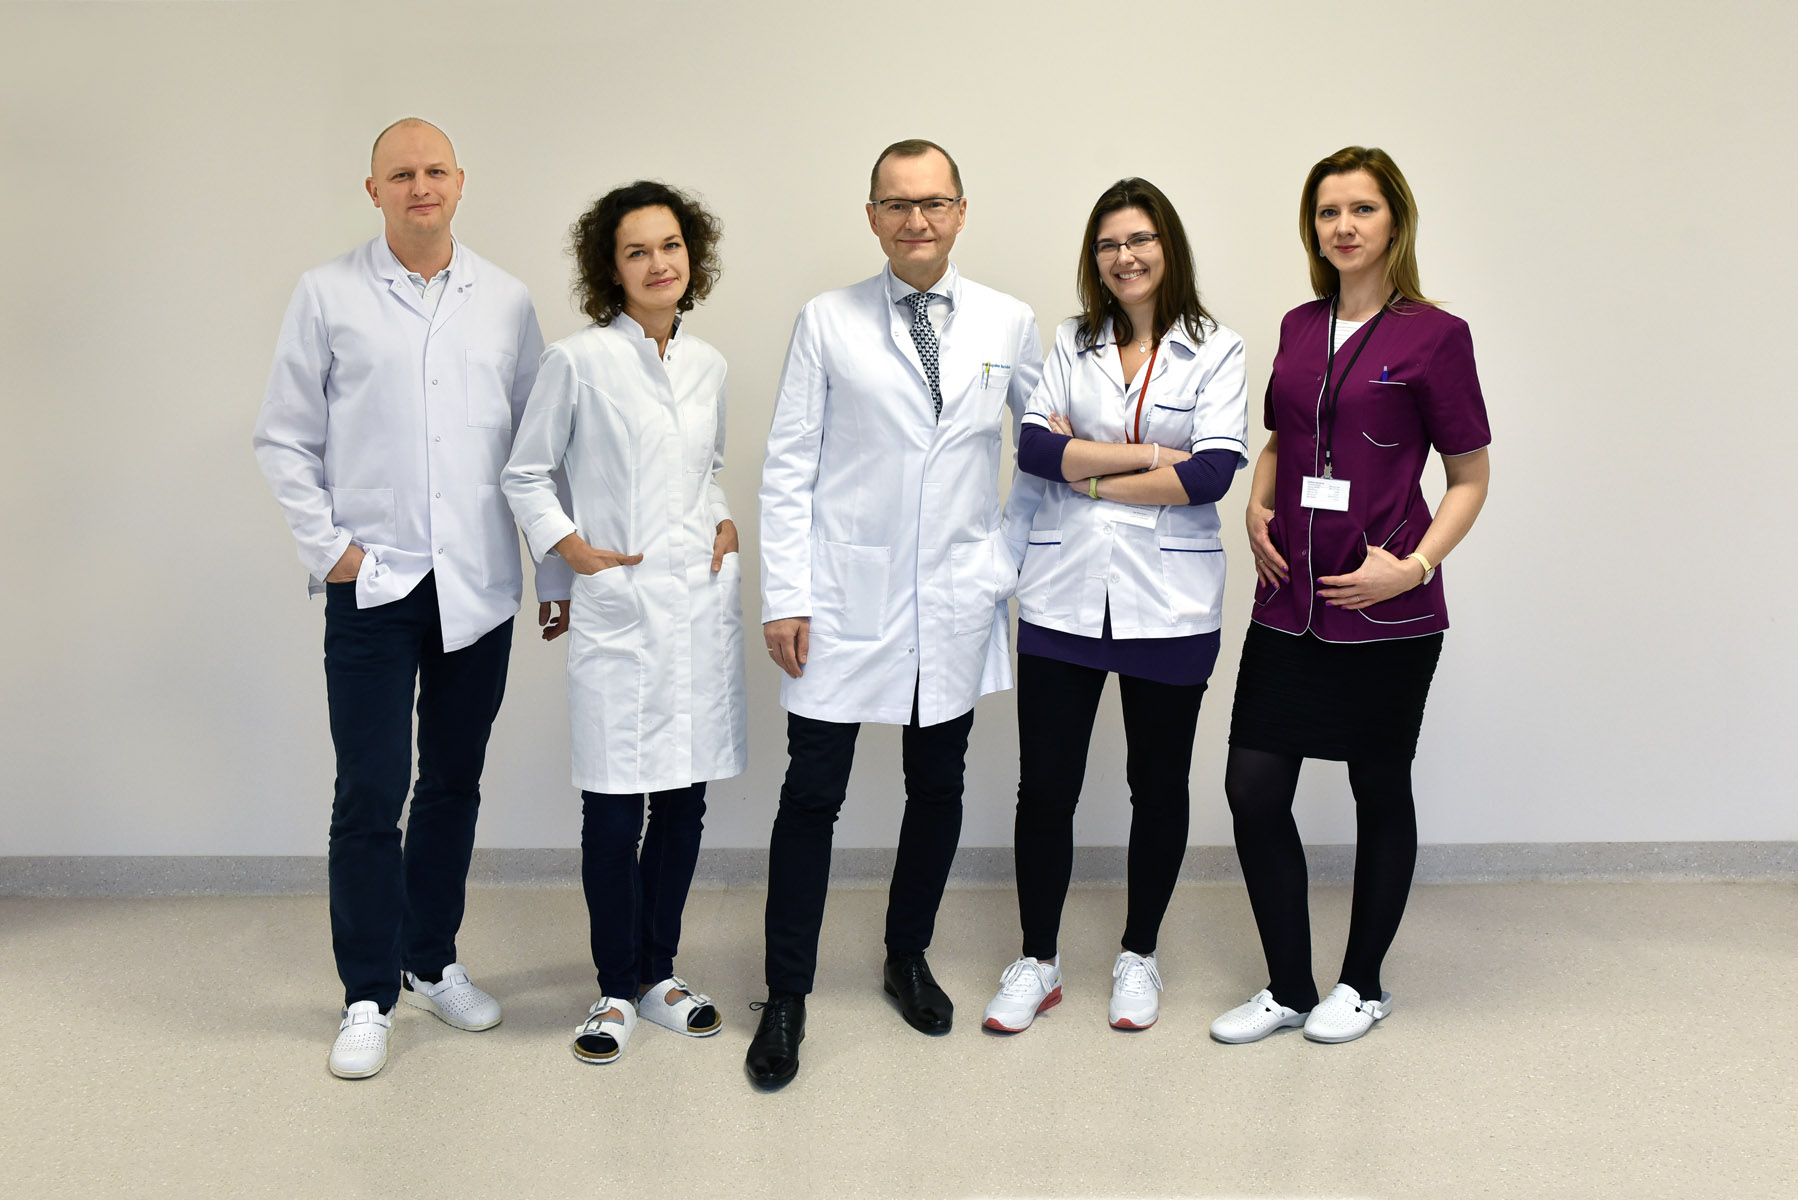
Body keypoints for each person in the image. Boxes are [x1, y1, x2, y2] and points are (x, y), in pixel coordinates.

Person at [253, 118, 571, 1080]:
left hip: (478, 584)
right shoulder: (327, 293)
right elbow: (284, 436)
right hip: (376, 586)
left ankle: (430, 960)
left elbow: (538, 446)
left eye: (435, 171)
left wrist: (553, 570)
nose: (420, 186)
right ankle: (367, 993)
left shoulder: (505, 300)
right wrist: (334, 552)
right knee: (371, 790)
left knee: (452, 784)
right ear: (374, 190)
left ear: (460, 183)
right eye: (402, 174)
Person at [747, 139, 1044, 1088]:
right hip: (844, 594)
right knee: (811, 796)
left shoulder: (1008, 320)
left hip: (953, 594)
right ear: (871, 216)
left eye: (934, 202)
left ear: (961, 211)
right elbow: (788, 465)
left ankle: (905, 955)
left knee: (938, 785)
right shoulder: (826, 320)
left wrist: (999, 557)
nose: (917, 220)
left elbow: (1043, 451)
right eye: (897, 204)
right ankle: (786, 994)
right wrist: (787, 595)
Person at [1209, 146, 1492, 1046]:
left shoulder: (1436, 335)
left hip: (1385, 611)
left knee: (1379, 786)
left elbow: (1471, 477)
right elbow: (1283, 440)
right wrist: (1255, 505)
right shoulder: (1299, 325)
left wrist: (1413, 567)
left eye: (1362, 209)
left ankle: (1362, 985)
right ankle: (1289, 986)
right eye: (1328, 212)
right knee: (1254, 787)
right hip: (1289, 598)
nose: (1343, 226)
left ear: (1394, 220)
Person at [980, 178, 1248, 1034]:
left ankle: (1140, 953)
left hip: (1169, 603)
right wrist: (1150, 457)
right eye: (1107, 245)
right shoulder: (1072, 340)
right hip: (1062, 596)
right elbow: (1033, 449)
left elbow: (1211, 474)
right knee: (1045, 787)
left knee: (1157, 785)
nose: (1124, 257)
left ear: (1168, 246)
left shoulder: (1218, 349)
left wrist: (1088, 470)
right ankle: (1038, 959)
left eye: (1139, 240)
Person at [502, 181, 746, 1064]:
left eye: (670, 245)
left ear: (692, 256)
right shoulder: (577, 362)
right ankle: (612, 987)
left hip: (695, 607)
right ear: (611, 268)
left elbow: (706, 466)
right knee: (612, 810)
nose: (657, 263)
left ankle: (658, 976)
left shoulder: (710, 364)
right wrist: (570, 552)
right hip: (621, 609)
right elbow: (526, 473)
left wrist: (723, 517)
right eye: (636, 251)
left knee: (683, 802)